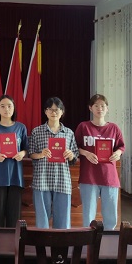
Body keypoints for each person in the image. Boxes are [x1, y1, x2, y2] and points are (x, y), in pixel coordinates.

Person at [74, 93, 125, 230]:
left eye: (102, 106)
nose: (99, 109)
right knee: (88, 215)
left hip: (109, 177)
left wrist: (118, 153)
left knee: (110, 215)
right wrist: (86, 153)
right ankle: (88, 240)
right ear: (90, 108)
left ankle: (109, 239)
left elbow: (121, 147)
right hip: (89, 176)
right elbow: (74, 147)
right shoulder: (83, 127)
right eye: (96, 106)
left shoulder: (114, 128)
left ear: (107, 108)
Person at [28, 97, 78, 229]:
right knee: (42, 220)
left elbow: (75, 156)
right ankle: (42, 241)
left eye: (57, 109)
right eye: (50, 109)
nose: (53, 112)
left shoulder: (69, 133)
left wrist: (71, 155)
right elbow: (31, 154)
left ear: (62, 112)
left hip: (62, 180)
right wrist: (41, 154)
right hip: (42, 179)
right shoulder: (37, 131)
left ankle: (61, 242)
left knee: (63, 221)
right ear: (45, 111)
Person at [0, 94, 28, 227]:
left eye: (9, 106)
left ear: (14, 108)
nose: (6, 109)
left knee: (14, 216)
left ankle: (14, 240)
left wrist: (22, 153)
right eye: (2, 106)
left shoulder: (21, 127)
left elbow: (26, 149)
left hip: (15, 176)